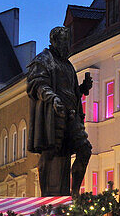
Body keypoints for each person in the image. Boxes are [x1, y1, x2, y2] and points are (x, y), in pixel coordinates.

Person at [26, 26, 93, 195]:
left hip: (71, 114)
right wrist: (52, 98)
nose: (67, 45)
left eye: (68, 41)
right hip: (53, 114)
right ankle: (46, 197)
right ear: (53, 41)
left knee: (84, 149)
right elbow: (37, 84)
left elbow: (69, 90)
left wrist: (82, 89)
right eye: (63, 41)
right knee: (50, 152)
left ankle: (74, 193)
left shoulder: (68, 64)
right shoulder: (43, 60)